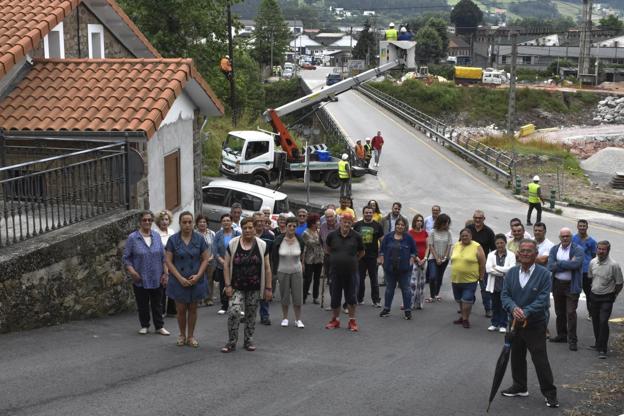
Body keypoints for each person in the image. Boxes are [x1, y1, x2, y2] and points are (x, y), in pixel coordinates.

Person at [501, 239, 558, 408]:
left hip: (535, 324)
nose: (525, 253)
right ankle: (520, 386)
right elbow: (505, 295)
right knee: (517, 356)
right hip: (515, 323)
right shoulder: (511, 273)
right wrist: (513, 309)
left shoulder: (544, 274)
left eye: (529, 251)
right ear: (518, 253)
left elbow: (543, 300)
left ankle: (550, 393)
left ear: (536, 254)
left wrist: (526, 312)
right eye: (522, 251)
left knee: (540, 359)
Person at [221, 218, 272, 352]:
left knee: (250, 314)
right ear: (241, 229)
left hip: (254, 287)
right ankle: (231, 342)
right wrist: (227, 285)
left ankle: (248, 340)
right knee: (234, 312)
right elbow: (226, 265)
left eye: (250, 227)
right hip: (236, 286)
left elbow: (267, 268)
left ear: (255, 229)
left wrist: (268, 288)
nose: (248, 230)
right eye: (245, 228)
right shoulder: (233, 243)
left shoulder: (262, 245)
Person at [165, 211, 210, 348]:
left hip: (195, 280)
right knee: (181, 309)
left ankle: (190, 336)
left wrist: (198, 276)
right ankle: (181, 335)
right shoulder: (173, 240)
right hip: (178, 280)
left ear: (193, 223)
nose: (187, 225)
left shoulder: (199, 239)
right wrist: (179, 278)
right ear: (180, 223)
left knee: (193, 309)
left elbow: (205, 259)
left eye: (190, 222)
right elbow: (168, 261)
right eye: (184, 222)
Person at [123, 210, 170, 336]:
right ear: (140, 222)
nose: (147, 222)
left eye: (149, 220)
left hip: (157, 276)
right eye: (144, 220)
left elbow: (163, 257)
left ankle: (159, 326)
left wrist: (166, 274)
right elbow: (126, 258)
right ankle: (144, 325)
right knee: (142, 303)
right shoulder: (133, 238)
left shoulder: (156, 236)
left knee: (157, 304)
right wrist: (132, 272)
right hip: (140, 277)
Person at [325, 213, 364, 331]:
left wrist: (352, 260)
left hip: (351, 272)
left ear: (352, 223)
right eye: (344, 222)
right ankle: (335, 320)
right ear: (340, 222)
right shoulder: (332, 235)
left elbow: (362, 252)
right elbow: (327, 249)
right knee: (335, 298)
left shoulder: (357, 236)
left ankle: (352, 321)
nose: (346, 224)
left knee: (351, 298)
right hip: (335, 272)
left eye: (349, 222)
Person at [547, 227, 584, 351]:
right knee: (559, 312)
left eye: (567, 236)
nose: (565, 238)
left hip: (571, 286)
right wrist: (567, 263)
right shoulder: (554, 249)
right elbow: (550, 266)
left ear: (571, 237)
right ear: (559, 237)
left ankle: (573, 340)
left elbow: (576, 264)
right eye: (562, 236)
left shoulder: (578, 250)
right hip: (557, 284)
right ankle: (562, 335)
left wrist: (559, 264)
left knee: (571, 313)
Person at [588, 241, 623, 359]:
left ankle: (603, 348)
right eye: (599, 249)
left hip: (607, 297)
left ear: (608, 250)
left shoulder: (614, 265)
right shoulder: (593, 262)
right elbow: (590, 277)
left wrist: (614, 294)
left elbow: (619, 283)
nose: (601, 251)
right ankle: (598, 343)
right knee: (595, 321)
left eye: (603, 249)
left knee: (603, 322)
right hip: (594, 295)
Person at [379, 217, 416, 319]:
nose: (400, 226)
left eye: (402, 225)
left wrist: (411, 259)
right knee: (389, 289)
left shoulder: (409, 238)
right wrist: (382, 259)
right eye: (398, 224)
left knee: (406, 290)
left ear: (405, 227)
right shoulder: (388, 237)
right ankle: (386, 309)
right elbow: (382, 250)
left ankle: (407, 311)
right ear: (395, 225)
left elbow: (413, 251)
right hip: (390, 269)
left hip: (404, 269)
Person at [271, 217, 305, 328]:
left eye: (294, 226)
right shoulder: (278, 240)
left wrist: (303, 264)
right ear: (285, 226)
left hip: (296, 271)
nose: (291, 228)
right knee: (284, 295)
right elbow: (274, 257)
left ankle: (298, 319)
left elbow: (302, 254)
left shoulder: (300, 240)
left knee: (297, 296)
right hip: (282, 271)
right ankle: (285, 318)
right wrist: (274, 271)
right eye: (289, 225)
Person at [450, 228, 486, 329]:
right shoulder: (456, 245)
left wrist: (481, 276)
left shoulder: (476, 246)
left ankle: (466, 319)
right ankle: (462, 317)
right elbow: (452, 259)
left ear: (471, 236)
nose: (464, 237)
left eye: (467, 235)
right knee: (459, 300)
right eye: (463, 236)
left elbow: (482, 263)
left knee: (467, 300)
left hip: (470, 280)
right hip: (456, 279)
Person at [467, 210, 496, 318]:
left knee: (485, 288)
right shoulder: (468, 229)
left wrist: (493, 263)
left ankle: (488, 309)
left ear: (484, 219)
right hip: (469, 264)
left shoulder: (489, 232)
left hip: (483, 264)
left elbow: (494, 249)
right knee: (469, 286)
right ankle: (467, 305)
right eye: (476, 218)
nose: (478, 220)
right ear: (473, 218)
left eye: (480, 218)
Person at [353, 206, 384, 307]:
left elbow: (382, 241)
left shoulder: (377, 225)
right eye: (366, 212)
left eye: (370, 212)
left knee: (374, 279)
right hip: (360, 256)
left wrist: (380, 256)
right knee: (360, 279)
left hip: (373, 256)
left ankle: (376, 301)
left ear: (373, 213)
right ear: (363, 213)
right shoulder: (357, 225)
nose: (368, 214)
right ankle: (359, 299)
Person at [485, 234, 516, 332]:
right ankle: (494, 323)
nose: (499, 245)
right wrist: (502, 272)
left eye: (501, 243)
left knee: (504, 306)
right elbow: (488, 269)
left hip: (505, 284)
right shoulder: (491, 255)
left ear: (505, 243)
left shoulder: (511, 255)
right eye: (497, 243)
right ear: (495, 244)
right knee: (495, 305)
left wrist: (496, 267)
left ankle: (503, 324)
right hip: (494, 284)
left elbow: (511, 269)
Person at [213, 214, 241, 315]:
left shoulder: (237, 234)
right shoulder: (218, 235)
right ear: (221, 223)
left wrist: (233, 261)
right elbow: (214, 250)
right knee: (223, 285)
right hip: (221, 265)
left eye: (228, 220)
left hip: (235, 265)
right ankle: (224, 306)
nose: (226, 222)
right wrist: (222, 261)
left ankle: (236, 305)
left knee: (236, 285)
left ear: (231, 222)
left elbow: (240, 248)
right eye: (224, 220)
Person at [572, 219, 597, 318]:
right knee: (573, 293)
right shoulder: (573, 238)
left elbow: (595, 257)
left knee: (589, 293)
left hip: (587, 271)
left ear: (587, 227)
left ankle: (591, 313)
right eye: (580, 226)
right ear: (577, 227)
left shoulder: (592, 241)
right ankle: (571, 312)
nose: (582, 227)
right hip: (575, 270)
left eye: (584, 226)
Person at [154, 210, 176, 317]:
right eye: (162, 219)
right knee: (161, 287)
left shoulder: (172, 232)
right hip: (160, 262)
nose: (164, 222)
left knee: (172, 285)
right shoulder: (155, 233)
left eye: (166, 219)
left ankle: (172, 310)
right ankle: (161, 310)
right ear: (159, 221)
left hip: (172, 262)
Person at [427, 213, 452, 302]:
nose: (446, 225)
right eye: (445, 223)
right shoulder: (433, 232)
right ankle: (431, 295)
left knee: (439, 277)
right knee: (432, 277)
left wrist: (445, 257)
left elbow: (449, 246)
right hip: (433, 258)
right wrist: (437, 258)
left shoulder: (448, 233)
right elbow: (431, 246)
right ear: (440, 222)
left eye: (448, 223)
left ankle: (436, 294)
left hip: (444, 259)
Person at [256, 217, 275, 325]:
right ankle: (247, 314)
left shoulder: (270, 236)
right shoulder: (249, 234)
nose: (259, 223)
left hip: (265, 267)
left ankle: (264, 315)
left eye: (261, 221)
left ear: (265, 223)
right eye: (257, 222)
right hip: (250, 269)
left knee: (265, 291)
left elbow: (273, 253)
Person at [302, 213, 324, 305]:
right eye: (316, 222)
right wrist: (321, 240)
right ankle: (303, 296)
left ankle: (315, 297)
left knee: (317, 279)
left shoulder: (318, 231)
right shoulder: (305, 233)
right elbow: (311, 243)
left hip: (319, 258)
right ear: (311, 223)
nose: (318, 223)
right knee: (308, 279)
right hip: (309, 259)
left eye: (318, 222)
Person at [408, 214, 428, 310]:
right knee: (413, 283)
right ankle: (409, 303)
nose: (419, 222)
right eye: (417, 220)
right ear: (414, 222)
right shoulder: (410, 233)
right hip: (414, 260)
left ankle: (419, 303)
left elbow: (428, 246)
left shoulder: (425, 233)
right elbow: (409, 248)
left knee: (421, 283)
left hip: (423, 260)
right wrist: (417, 258)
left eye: (421, 221)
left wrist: (425, 258)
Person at [195, 215, 216, 306]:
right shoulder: (194, 234)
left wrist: (210, 258)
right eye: (200, 222)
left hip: (210, 260)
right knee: (198, 279)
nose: (202, 224)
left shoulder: (212, 233)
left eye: (204, 222)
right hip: (198, 261)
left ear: (207, 223)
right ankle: (199, 299)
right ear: (197, 224)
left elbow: (214, 247)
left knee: (209, 279)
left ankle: (209, 298)